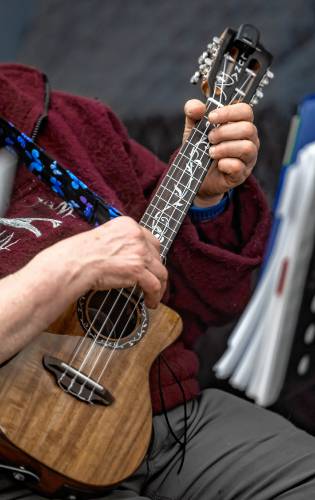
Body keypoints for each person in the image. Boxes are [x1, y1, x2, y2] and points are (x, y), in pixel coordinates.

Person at [0, 63, 315, 500]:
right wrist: (66, 268)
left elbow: (213, 301)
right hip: (12, 443)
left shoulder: (76, 122)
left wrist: (204, 200)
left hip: (157, 414)